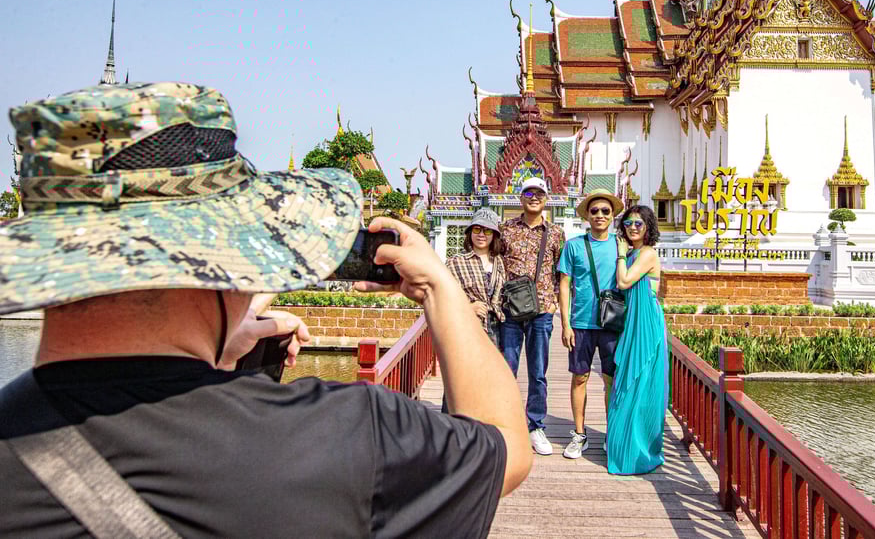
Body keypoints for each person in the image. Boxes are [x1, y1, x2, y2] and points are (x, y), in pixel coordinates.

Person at [0, 82, 531, 537]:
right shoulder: (346, 437)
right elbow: (504, 446)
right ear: (226, 260)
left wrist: (221, 349)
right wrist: (440, 286)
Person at [499, 176, 565, 456]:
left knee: (538, 373)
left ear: (546, 198)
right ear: (520, 197)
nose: (533, 197)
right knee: (507, 370)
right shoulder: (505, 230)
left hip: (541, 312)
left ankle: (535, 425)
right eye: (528, 192)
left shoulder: (556, 233)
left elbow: (562, 274)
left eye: (539, 193)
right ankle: (506, 424)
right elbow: (496, 265)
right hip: (511, 311)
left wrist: (555, 306)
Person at [556, 188, 623, 459]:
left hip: (612, 323)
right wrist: (565, 324)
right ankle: (580, 434)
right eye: (594, 211)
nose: (599, 215)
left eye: (605, 211)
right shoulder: (574, 245)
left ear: (612, 216)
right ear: (587, 215)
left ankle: (611, 433)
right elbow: (564, 284)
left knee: (610, 380)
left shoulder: (621, 245)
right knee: (580, 377)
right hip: (582, 322)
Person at [606, 204, 667, 475]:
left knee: (642, 384)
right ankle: (624, 445)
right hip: (633, 322)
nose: (632, 227)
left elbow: (624, 282)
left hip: (647, 325)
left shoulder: (647, 253)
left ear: (648, 227)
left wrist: (620, 255)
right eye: (628, 223)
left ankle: (640, 450)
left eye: (638, 224)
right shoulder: (633, 253)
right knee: (626, 381)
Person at [446, 208, 507, 346]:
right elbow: (443, 296)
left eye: (487, 231)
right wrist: (468, 307)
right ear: (470, 232)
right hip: (469, 325)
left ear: (494, 235)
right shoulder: (455, 262)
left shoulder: (499, 262)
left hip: (497, 328)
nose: (481, 235)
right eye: (477, 229)